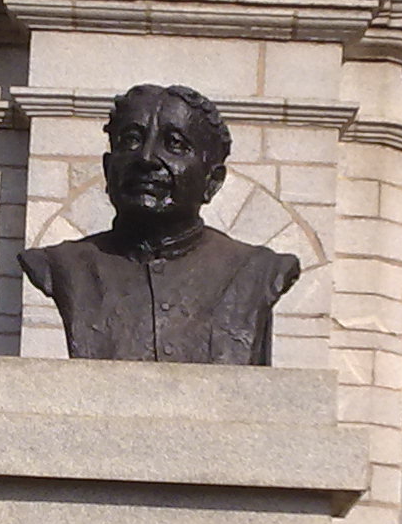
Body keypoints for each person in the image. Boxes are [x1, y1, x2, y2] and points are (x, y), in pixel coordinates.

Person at [18, 82, 300, 365]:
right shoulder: (62, 265)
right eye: (131, 140)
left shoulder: (259, 270)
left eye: (175, 144)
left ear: (212, 182)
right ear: (107, 168)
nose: (146, 158)